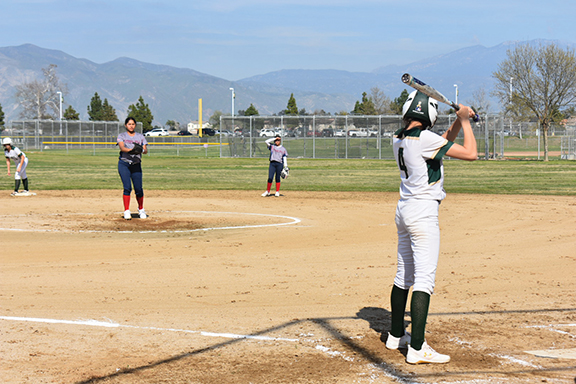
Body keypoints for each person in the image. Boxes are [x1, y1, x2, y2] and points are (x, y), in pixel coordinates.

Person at [385, 90, 477, 364]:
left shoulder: (399, 137)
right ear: (429, 115)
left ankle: (395, 335)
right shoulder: (424, 138)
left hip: (404, 210)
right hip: (423, 214)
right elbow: (471, 154)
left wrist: (459, 121)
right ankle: (417, 348)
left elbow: (442, 142)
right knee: (424, 280)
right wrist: (468, 123)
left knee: (404, 276)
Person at [117, 117, 148, 220]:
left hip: (136, 164)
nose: (131, 126)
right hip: (124, 164)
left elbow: (145, 150)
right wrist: (133, 150)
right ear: (126, 125)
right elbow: (122, 148)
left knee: (138, 189)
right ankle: (127, 211)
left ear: (135, 125)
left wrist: (142, 150)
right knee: (127, 187)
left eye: (133, 124)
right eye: (129, 124)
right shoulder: (121, 136)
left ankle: (141, 209)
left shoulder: (140, 136)